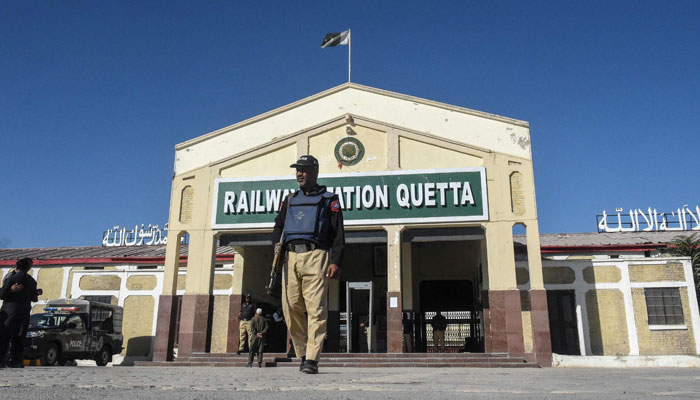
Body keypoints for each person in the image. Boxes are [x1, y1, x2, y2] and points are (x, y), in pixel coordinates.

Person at [272, 155, 345, 374]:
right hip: (291, 257)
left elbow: (338, 233)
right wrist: (278, 249)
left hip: (316, 256)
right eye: (297, 170)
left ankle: (312, 359)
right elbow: (278, 226)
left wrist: (335, 261)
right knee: (291, 306)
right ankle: (302, 351)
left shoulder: (329, 199)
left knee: (316, 309)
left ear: (315, 172)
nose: (299, 174)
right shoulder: (290, 199)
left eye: (303, 170)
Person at [0, 258, 39, 368]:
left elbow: (2, 294)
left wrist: (11, 290)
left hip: (10, 311)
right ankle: (16, 361)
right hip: (25, 311)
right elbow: (34, 299)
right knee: (19, 337)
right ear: (28, 268)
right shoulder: (32, 281)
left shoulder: (12, 278)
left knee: (4, 336)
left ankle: (1, 359)